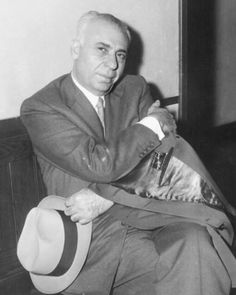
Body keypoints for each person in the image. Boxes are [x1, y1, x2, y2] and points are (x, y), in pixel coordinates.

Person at [21, 11, 236, 295]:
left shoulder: (135, 89)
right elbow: (99, 164)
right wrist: (151, 124)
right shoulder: (43, 107)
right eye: (102, 49)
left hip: (150, 213)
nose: (112, 64)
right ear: (76, 48)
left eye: (120, 54)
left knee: (196, 242)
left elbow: (164, 159)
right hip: (88, 235)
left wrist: (104, 197)